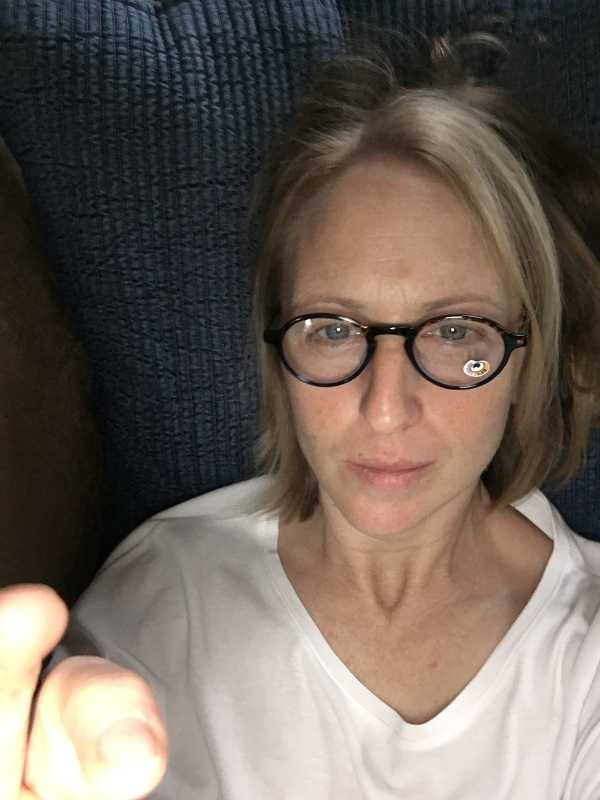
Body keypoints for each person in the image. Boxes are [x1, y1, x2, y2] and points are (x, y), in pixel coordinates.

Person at [3, 28, 600, 800]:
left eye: (456, 333)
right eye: (334, 330)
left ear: (528, 357)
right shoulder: (169, 601)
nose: (385, 410)